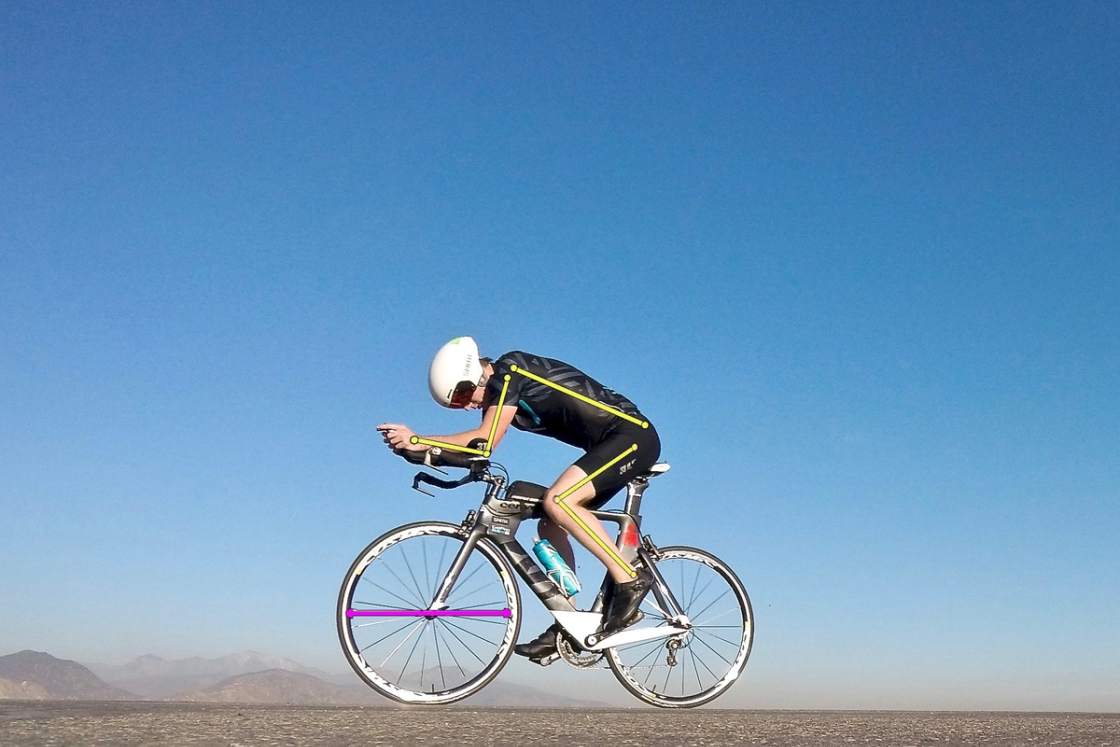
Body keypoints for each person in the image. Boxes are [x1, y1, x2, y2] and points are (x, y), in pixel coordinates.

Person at [378, 336, 661, 663]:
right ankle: (570, 623)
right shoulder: (501, 387)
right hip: (608, 444)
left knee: (559, 501)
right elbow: (474, 451)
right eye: (457, 405)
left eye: (463, 395)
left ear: (477, 374)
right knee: (550, 523)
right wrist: (423, 454)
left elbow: (483, 443)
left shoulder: (510, 370)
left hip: (632, 435)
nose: (467, 406)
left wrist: (418, 439)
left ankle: (630, 580)